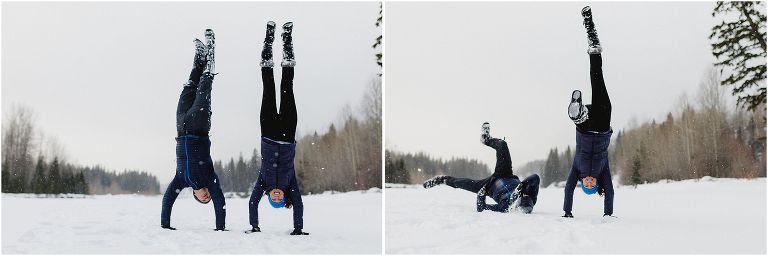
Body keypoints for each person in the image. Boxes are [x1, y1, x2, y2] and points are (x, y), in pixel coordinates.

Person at [160, 29, 227, 231]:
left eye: (202, 199)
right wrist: (220, 227)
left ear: (195, 196)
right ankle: (211, 49)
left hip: (181, 128)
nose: (206, 197)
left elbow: (167, 200)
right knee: (204, 86)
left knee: (189, 87)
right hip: (199, 127)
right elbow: (220, 201)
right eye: (208, 198)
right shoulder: (209, 178)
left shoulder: (181, 180)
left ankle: (199, 56)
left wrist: (165, 225)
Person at [247, 21, 308, 236]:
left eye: (273, 199)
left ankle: (268, 41)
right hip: (289, 134)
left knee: (268, 88)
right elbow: (299, 204)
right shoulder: (290, 184)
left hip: (268, 132)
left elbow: (253, 202)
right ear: (283, 197)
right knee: (287, 88)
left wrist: (254, 225)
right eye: (278, 199)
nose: (275, 196)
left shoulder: (263, 183)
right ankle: (288, 41)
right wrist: (298, 228)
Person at [562, 6, 615, 218]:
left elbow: (567, 189)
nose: (590, 181)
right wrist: (608, 214)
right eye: (592, 184)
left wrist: (567, 211)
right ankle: (593, 41)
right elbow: (609, 190)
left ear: (582, 182)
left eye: (587, 184)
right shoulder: (603, 172)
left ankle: (578, 114)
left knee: (582, 127)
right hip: (602, 126)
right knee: (597, 79)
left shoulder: (577, 170)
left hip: (585, 130)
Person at [423, 122, 541, 214]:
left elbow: (482, 208)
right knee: (502, 145)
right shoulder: (530, 194)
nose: (525, 195)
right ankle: (487, 139)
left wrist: (481, 194)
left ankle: (441, 179)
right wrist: (520, 189)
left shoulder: (505, 208)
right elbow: (535, 178)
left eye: (523, 198)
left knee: (461, 183)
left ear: (517, 205)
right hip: (505, 174)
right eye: (525, 195)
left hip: (489, 187)